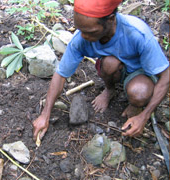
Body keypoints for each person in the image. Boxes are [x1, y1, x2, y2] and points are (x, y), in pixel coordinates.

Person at [32, 0, 169, 141]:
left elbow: (166, 75)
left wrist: (144, 116)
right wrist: (45, 114)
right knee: (110, 63)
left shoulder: (137, 33)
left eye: (90, 32)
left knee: (139, 93)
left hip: (140, 72)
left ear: (110, 20)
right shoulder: (81, 38)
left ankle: (136, 105)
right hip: (115, 67)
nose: (84, 36)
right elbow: (60, 75)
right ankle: (110, 90)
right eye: (81, 30)